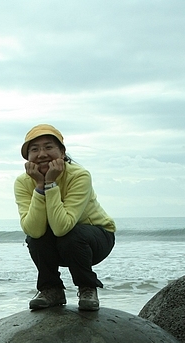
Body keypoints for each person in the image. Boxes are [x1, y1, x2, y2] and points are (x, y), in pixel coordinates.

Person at [14, 124, 116, 311]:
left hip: (95, 239)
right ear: (28, 158)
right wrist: (40, 186)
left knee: (71, 235)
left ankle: (87, 287)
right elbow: (34, 230)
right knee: (35, 238)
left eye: (48, 147)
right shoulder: (23, 182)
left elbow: (63, 227)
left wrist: (50, 183)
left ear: (62, 152)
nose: (42, 154)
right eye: (34, 149)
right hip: (58, 242)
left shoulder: (79, 175)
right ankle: (51, 289)